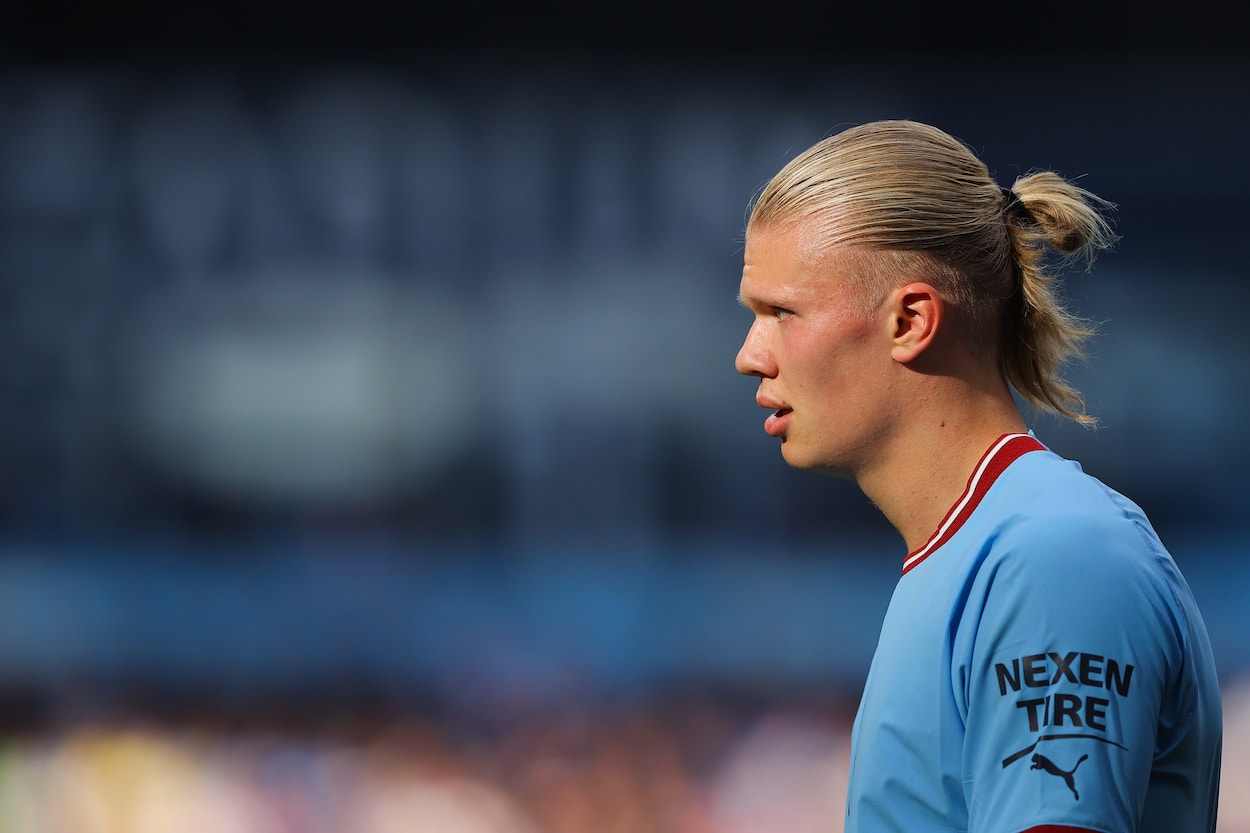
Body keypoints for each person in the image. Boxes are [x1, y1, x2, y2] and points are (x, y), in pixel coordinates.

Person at [734, 119, 1222, 832]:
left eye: (781, 312)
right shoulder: (976, 555)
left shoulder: (1052, 558)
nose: (750, 354)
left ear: (910, 320)